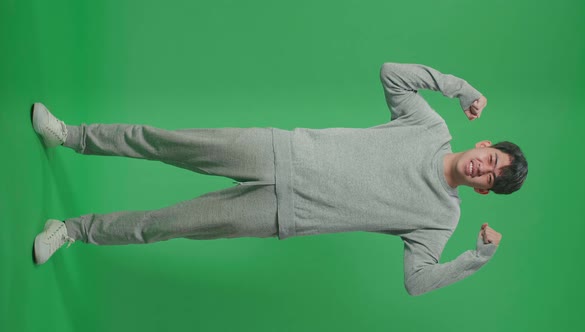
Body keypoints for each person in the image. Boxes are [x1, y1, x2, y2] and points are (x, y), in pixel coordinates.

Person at [31, 62, 528, 296]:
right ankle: (70, 135)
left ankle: (71, 230)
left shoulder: (441, 220)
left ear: (484, 190)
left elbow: (417, 283)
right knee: (166, 142)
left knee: (165, 224)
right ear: (484, 147)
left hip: (278, 215)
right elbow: (392, 73)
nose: (485, 169)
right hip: (276, 151)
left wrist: (476, 258)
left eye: (492, 178)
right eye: (493, 159)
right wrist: (459, 88)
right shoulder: (431, 125)